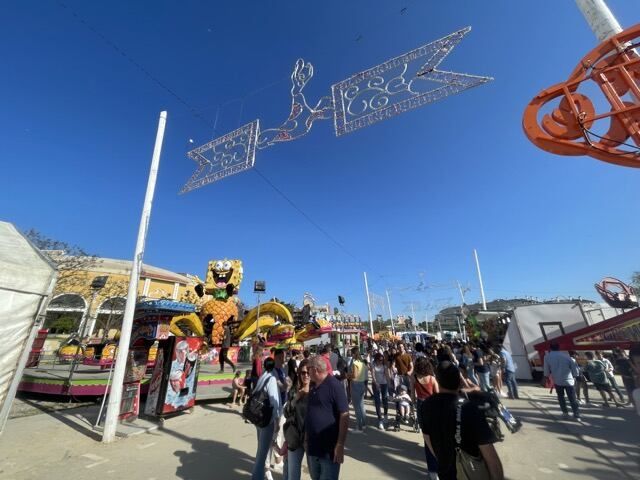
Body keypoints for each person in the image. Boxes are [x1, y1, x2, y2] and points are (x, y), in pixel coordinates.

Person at [421, 361, 504, 480]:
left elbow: (427, 438)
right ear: (460, 381)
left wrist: (443, 459)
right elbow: (491, 458)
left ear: (437, 381)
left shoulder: (426, 405)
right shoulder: (470, 408)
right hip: (471, 471)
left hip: (445, 470)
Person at [305, 355, 349, 480]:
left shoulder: (334, 386)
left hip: (329, 450)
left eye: (308, 369)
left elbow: (344, 415)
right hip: (313, 448)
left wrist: (340, 444)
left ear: (315, 369)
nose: (307, 373)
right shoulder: (313, 386)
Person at [251, 357, 282, 480]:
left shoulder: (262, 377)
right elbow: (275, 401)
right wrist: (278, 419)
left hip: (258, 417)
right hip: (267, 420)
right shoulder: (272, 379)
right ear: (273, 366)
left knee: (260, 450)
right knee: (263, 454)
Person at [282, 359, 310, 480]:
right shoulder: (294, 390)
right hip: (295, 437)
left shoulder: (317, 390)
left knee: (315, 473)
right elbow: (286, 413)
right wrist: (296, 398)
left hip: (311, 439)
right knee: (293, 474)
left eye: (308, 372)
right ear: (299, 373)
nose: (306, 375)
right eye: (303, 372)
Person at [413, 356, 439, 477]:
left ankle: (432, 470)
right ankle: (439, 464)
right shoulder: (432, 378)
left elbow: (412, 395)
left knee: (426, 437)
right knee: (436, 436)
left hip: (420, 405)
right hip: (433, 405)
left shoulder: (414, 378)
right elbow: (438, 395)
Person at [543, 342, 582, 421]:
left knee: (561, 397)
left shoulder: (547, 357)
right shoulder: (566, 356)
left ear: (550, 348)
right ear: (558, 348)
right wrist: (575, 375)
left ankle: (565, 413)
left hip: (557, 380)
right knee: (572, 398)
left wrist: (546, 377)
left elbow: (546, 369)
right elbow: (574, 368)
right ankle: (576, 414)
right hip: (569, 380)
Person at [348, 347, 368, 433]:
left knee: (357, 407)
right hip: (362, 383)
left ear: (353, 354)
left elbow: (355, 375)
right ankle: (363, 424)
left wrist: (348, 375)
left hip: (356, 384)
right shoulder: (362, 362)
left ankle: (359, 427)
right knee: (361, 406)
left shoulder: (355, 363)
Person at [370, 352, 389, 429]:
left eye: (382, 360)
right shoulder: (373, 365)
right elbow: (373, 374)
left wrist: (389, 384)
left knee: (385, 399)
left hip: (384, 384)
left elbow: (387, 375)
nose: (381, 361)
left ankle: (385, 415)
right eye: (380, 360)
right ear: (376, 359)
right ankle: (380, 419)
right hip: (376, 384)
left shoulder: (384, 366)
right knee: (377, 401)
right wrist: (376, 382)